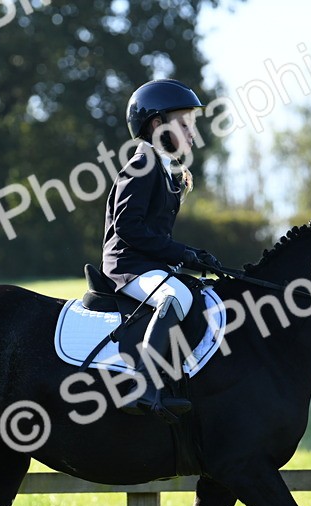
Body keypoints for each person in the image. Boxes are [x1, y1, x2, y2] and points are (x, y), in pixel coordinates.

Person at [102, 78, 223, 421]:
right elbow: (127, 228)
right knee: (176, 297)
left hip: (148, 266)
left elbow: (155, 235)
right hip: (127, 267)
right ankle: (141, 383)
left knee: (195, 292)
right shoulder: (142, 164)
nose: (191, 134)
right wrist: (181, 253)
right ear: (157, 125)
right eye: (183, 124)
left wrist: (193, 254)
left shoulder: (163, 167)